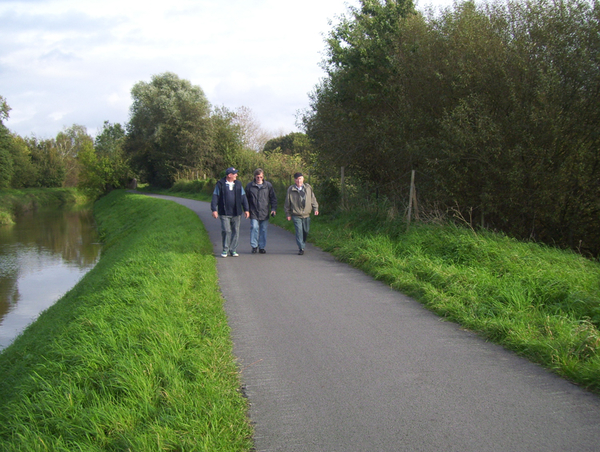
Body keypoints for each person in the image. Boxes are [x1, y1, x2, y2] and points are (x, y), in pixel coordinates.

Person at [211, 167, 250, 257]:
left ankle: (233, 250)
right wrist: (214, 209)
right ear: (229, 175)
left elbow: (243, 197)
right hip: (224, 212)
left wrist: (246, 209)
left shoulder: (238, 184)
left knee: (235, 231)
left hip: (236, 212)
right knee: (226, 231)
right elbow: (215, 197)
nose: (236, 175)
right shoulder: (220, 184)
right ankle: (225, 250)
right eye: (234, 173)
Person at [285, 172, 319, 255]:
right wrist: (288, 214)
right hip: (296, 214)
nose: (298, 180)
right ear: (294, 180)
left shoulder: (308, 188)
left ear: (303, 179)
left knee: (305, 231)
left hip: (306, 214)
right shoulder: (291, 189)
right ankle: (301, 248)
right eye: (297, 179)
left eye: (300, 178)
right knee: (299, 231)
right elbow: (287, 203)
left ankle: (302, 243)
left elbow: (313, 198)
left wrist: (315, 208)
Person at [246, 168, 277, 254]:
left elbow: (273, 198)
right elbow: (245, 199)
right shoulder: (249, 186)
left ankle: (262, 247)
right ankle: (254, 246)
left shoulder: (268, 186)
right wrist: (246, 210)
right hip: (253, 211)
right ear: (254, 177)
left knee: (263, 229)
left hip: (264, 211)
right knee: (254, 228)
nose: (259, 179)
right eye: (257, 177)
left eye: (261, 177)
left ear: (263, 177)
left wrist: (273, 209)